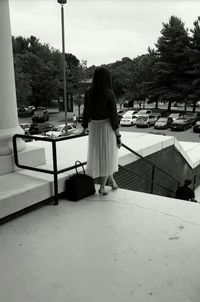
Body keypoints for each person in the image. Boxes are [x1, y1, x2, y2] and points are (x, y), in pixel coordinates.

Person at [81, 66, 121, 196]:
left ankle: (112, 181)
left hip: (94, 127)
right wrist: (118, 135)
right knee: (107, 157)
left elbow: (86, 111)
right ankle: (102, 188)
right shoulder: (109, 93)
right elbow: (113, 117)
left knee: (100, 155)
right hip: (106, 127)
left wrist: (84, 127)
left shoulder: (88, 92)